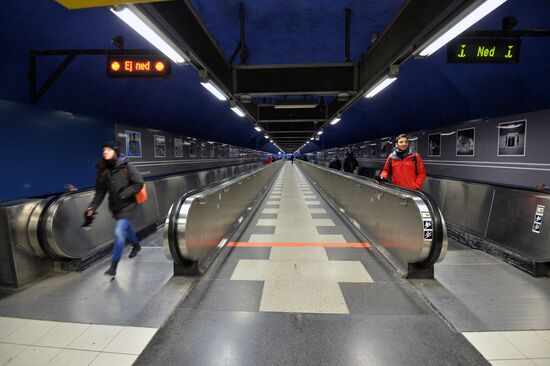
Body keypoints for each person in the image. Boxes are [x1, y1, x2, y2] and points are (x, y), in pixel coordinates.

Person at [85, 141, 144, 277]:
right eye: (104, 149)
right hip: (116, 207)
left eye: (109, 149)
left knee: (119, 232)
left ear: (115, 152)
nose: (105, 151)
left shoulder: (126, 166)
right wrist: (92, 207)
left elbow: (139, 183)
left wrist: (124, 194)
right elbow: (100, 192)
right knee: (126, 229)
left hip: (128, 205)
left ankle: (114, 266)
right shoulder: (103, 170)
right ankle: (136, 245)